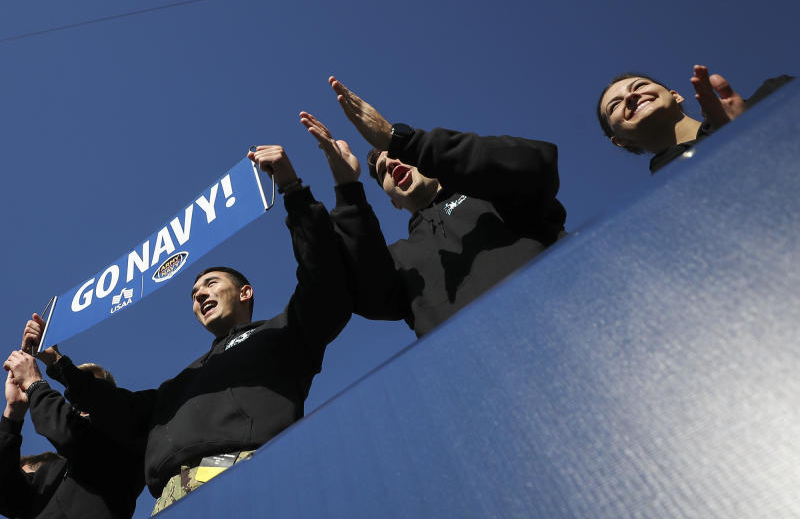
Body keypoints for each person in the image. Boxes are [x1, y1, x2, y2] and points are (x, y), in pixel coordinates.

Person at [11, 145, 354, 515]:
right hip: (170, 502)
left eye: (210, 282)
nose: (200, 294)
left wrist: (293, 190)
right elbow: (122, 410)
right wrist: (58, 364)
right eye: (193, 293)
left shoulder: (284, 333)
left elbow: (324, 282)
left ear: (245, 292)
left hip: (249, 483)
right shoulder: (176, 387)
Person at [301, 76, 566, 338]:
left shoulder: (493, 195)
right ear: (393, 201)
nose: (392, 164)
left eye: (395, 157)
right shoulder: (400, 261)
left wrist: (401, 142)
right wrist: (347, 186)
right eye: (383, 171)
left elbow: (535, 162)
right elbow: (361, 291)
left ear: (429, 164)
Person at [0, 357, 143, 519]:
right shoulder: (50, 473)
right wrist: (13, 413)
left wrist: (35, 385)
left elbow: (70, 435)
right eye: (77, 397)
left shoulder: (124, 440)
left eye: (90, 389)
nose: (80, 402)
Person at [597, 64, 795, 173]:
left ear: (675, 95)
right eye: (615, 105)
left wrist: (758, 125)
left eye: (639, 86)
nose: (631, 97)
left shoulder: (776, 94)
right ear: (620, 140)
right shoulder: (667, 191)